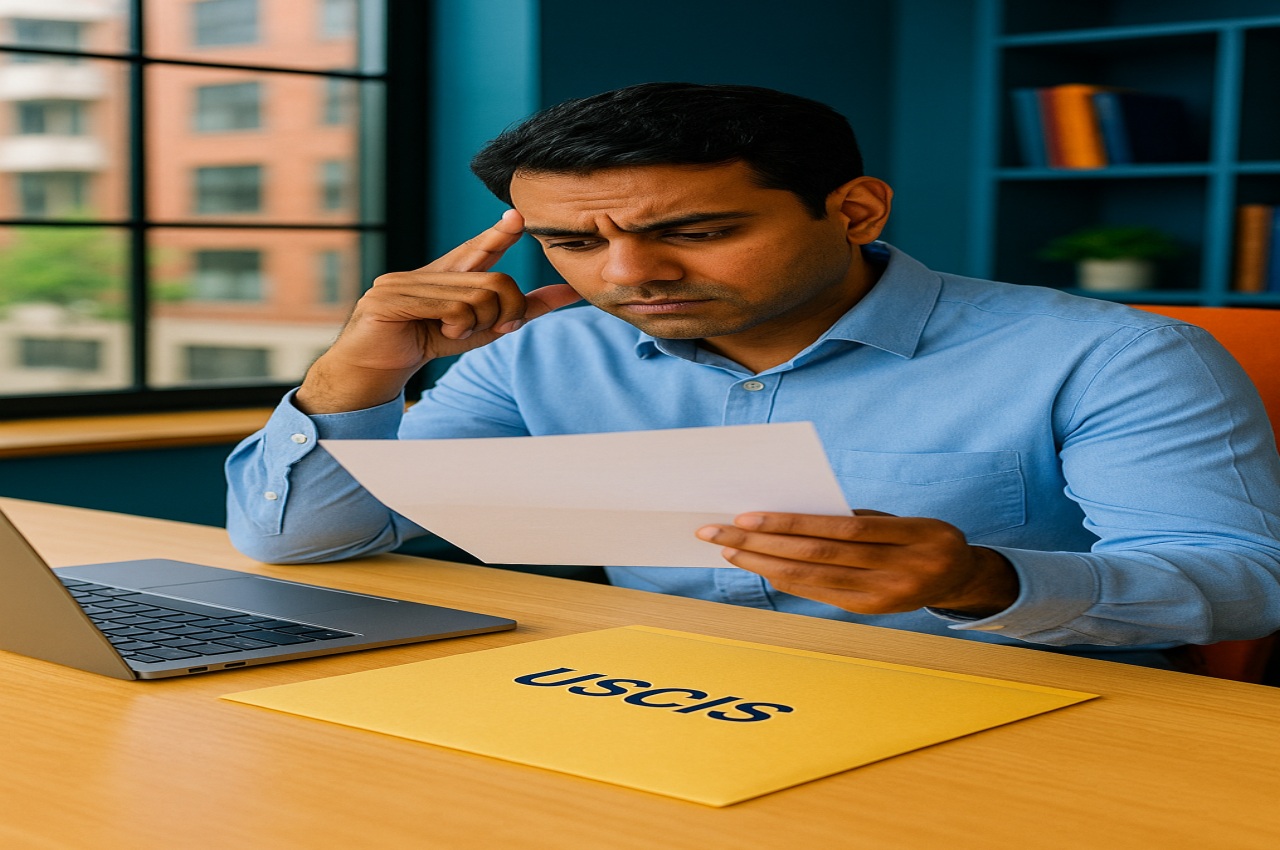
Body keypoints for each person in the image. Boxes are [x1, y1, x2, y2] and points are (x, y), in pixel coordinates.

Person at [226, 82, 1280, 667]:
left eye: (695, 230)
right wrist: (354, 375)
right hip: (665, 692)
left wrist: (985, 583)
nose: (630, 274)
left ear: (855, 211)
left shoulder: (1109, 355)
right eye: (572, 243)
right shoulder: (539, 351)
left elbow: (1239, 583)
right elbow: (301, 542)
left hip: (1011, 706)